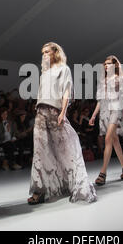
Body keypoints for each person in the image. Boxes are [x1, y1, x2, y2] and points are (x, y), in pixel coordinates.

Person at [28, 42, 97, 204]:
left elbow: (67, 91)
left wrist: (63, 112)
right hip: (40, 113)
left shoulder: (63, 69)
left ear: (55, 52)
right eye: (42, 52)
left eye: (47, 52)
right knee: (40, 151)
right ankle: (39, 190)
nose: (44, 55)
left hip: (55, 111)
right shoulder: (44, 72)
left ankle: (74, 184)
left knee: (65, 149)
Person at [89, 55, 123, 185]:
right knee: (115, 141)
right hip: (105, 111)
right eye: (105, 64)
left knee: (108, 139)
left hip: (116, 110)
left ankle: (103, 173)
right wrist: (93, 115)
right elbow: (100, 101)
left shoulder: (119, 79)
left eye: (109, 64)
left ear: (115, 65)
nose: (106, 66)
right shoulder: (103, 80)